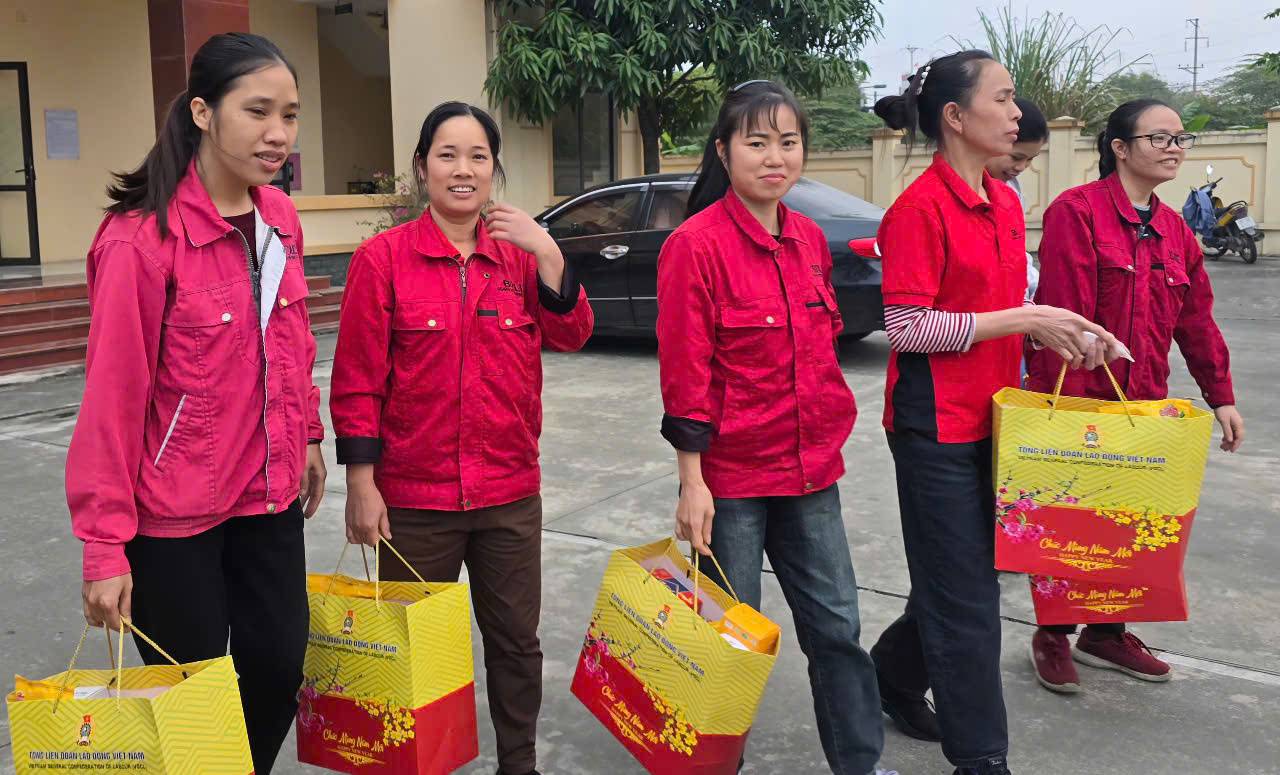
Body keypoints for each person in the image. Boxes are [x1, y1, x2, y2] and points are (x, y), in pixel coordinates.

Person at [70, 33, 327, 775]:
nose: (278, 132)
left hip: (271, 496)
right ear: (204, 112)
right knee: (188, 693)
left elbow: (292, 337)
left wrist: (308, 433)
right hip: (174, 513)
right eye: (258, 111)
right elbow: (112, 403)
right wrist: (103, 544)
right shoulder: (140, 240)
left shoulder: (280, 218)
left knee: (279, 667)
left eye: (290, 114)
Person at [864, 51, 1123, 775]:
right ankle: (982, 758)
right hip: (933, 426)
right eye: (1004, 99)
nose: (1016, 114)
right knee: (969, 603)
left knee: (969, 576)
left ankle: (888, 673)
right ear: (955, 117)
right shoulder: (918, 210)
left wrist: (1065, 328)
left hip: (996, 417)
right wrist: (1025, 319)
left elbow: (1010, 312)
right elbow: (909, 329)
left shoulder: (1005, 202)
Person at [330, 101, 594, 775]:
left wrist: (548, 251)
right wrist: (361, 484)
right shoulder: (380, 260)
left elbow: (572, 333)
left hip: (508, 495)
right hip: (415, 503)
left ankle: (520, 762)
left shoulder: (517, 257)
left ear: (494, 170)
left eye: (478, 156)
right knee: (416, 649)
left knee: (515, 645)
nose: (463, 170)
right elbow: (357, 380)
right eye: (447, 155)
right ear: (422, 168)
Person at [656, 79, 895, 775]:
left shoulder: (809, 240)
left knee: (838, 630)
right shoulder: (694, 247)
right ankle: (713, 764)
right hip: (730, 481)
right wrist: (692, 483)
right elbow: (686, 374)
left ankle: (860, 762)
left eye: (787, 142)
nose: (774, 156)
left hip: (811, 473)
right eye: (756, 142)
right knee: (728, 641)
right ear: (724, 152)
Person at [1025, 98, 1245, 693]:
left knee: (1131, 523)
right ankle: (1053, 635)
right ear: (1119, 148)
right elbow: (1064, 310)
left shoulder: (1175, 230)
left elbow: (1196, 319)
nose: (1174, 148)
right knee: (1068, 524)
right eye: (1159, 138)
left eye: (1180, 139)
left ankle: (1106, 632)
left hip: (1142, 401)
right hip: (1077, 397)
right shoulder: (1078, 212)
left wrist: (1219, 394)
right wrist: (1081, 354)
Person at [985, 96, 1048, 304]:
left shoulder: (1010, 189)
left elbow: (1018, 255)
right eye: (1016, 157)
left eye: (1030, 159)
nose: (1021, 167)